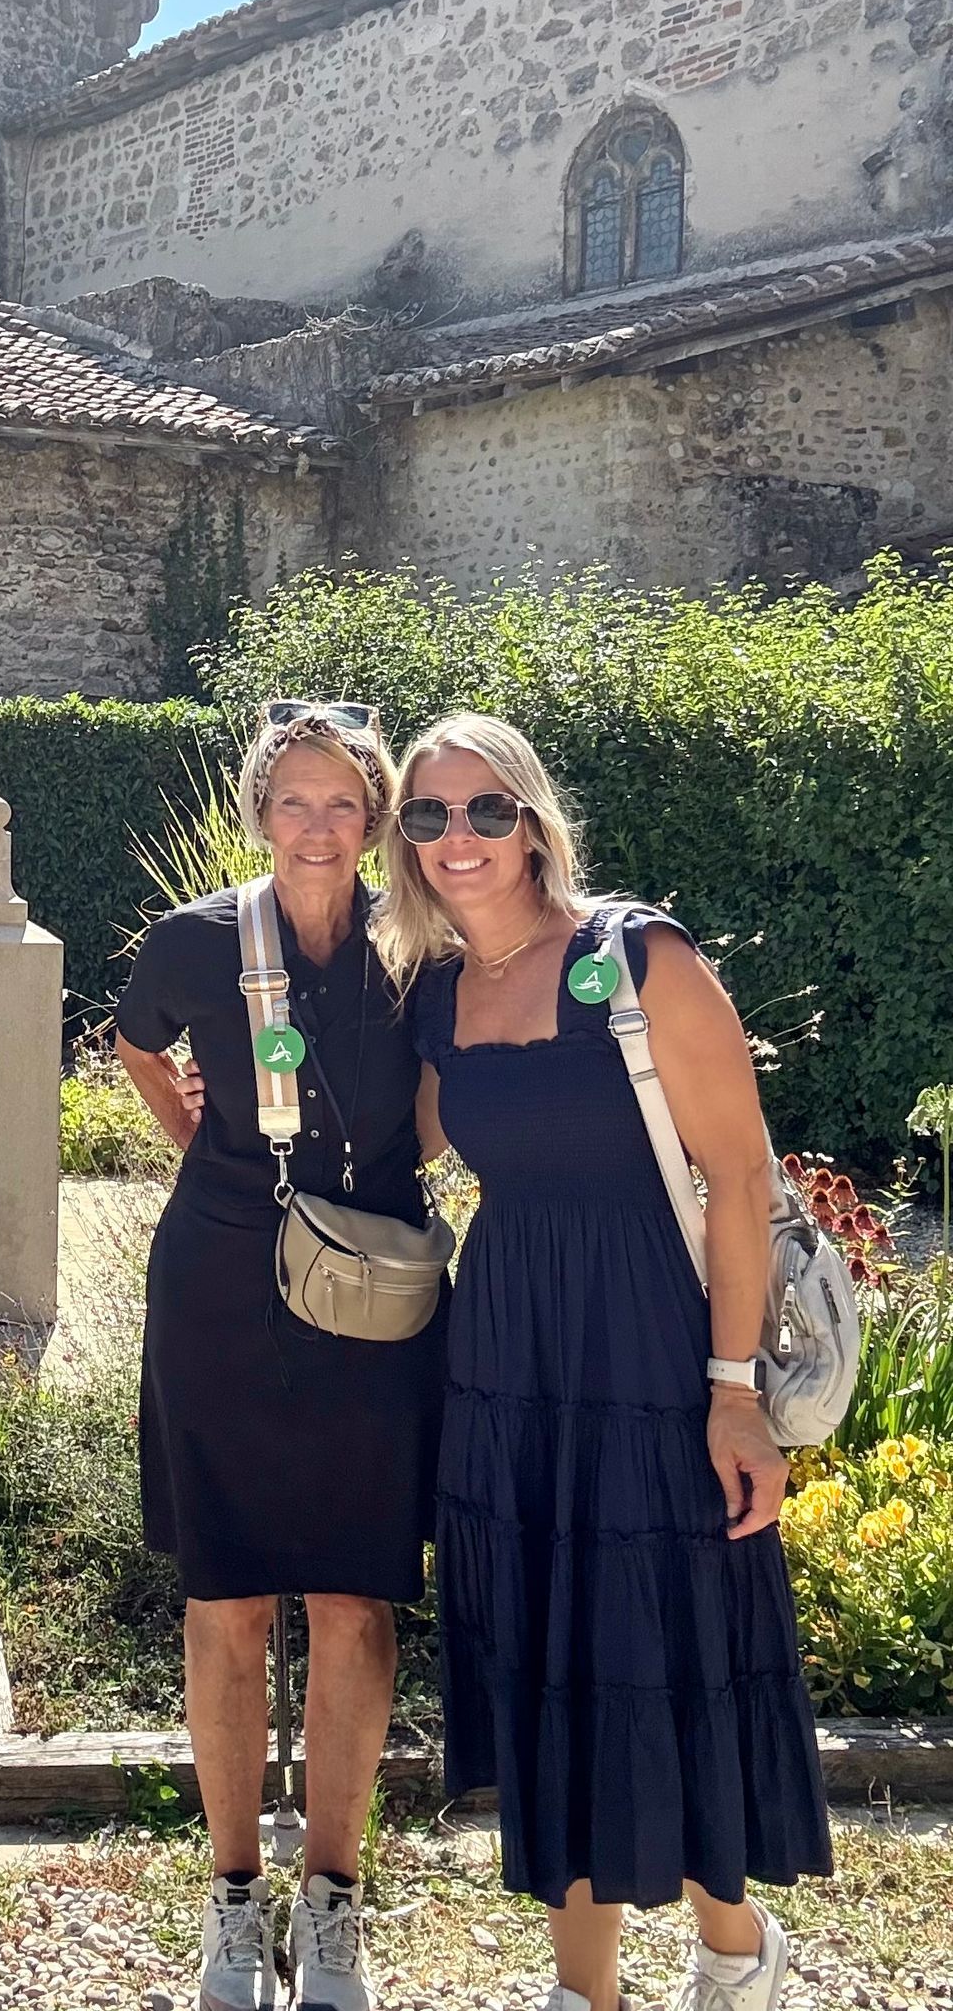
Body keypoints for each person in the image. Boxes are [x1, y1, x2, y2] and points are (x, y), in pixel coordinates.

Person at [380, 711, 831, 2011]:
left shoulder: (635, 959)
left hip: (649, 1348)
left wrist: (734, 1395)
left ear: (532, 822)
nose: (459, 837)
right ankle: (587, 1990)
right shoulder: (436, 994)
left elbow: (738, 1175)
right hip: (507, 1350)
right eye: (428, 815)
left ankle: (733, 1943)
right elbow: (401, 1145)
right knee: (546, 1648)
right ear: (406, 843)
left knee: (664, 1637)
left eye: (486, 809)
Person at [115, 699, 450, 2011]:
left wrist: (382, 1174)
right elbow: (137, 1041)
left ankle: (335, 1899)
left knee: (357, 1601)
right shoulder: (196, 942)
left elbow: (449, 1087)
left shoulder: (421, 942)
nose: (319, 825)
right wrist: (203, 1137)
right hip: (220, 1287)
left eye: (343, 802)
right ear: (262, 811)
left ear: (376, 817)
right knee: (230, 1599)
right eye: (295, 800)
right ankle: (233, 1900)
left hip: (375, 1292)